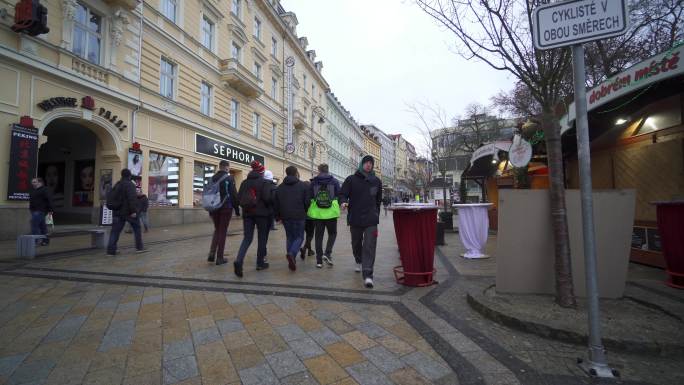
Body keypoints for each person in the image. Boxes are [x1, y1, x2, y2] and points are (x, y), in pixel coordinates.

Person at [340, 155, 383, 288]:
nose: (369, 165)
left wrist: (376, 214)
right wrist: (343, 202)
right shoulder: (351, 179)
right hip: (355, 217)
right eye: (366, 162)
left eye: (371, 163)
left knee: (370, 245)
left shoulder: (376, 181)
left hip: (371, 218)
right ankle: (358, 259)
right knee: (356, 243)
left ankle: (368, 275)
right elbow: (342, 194)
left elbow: (378, 200)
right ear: (362, 164)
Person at [234, 160, 274, 277]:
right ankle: (260, 263)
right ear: (262, 172)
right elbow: (267, 199)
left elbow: (238, 199)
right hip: (262, 215)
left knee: (247, 238)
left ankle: (239, 260)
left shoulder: (244, 182)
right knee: (262, 238)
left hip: (247, 214)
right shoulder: (264, 182)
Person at [274, 166, 310, 271]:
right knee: (299, 237)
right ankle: (292, 254)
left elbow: (276, 203)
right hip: (299, 215)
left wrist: (277, 216)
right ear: (296, 173)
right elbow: (307, 202)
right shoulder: (303, 186)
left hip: (285, 216)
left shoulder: (280, 187)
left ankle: (291, 258)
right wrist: (305, 210)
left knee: (289, 237)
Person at [308, 164, 341, 268]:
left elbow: (310, 196)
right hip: (331, 213)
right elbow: (339, 195)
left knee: (318, 236)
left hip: (318, 213)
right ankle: (327, 253)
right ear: (328, 170)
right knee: (332, 233)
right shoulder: (334, 181)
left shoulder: (313, 182)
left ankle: (319, 261)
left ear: (319, 170)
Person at [106, 169, 145, 256]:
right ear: (129, 175)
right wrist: (134, 211)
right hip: (128, 212)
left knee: (115, 231)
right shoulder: (130, 185)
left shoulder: (117, 184)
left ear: (122, 175)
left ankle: (111, 251)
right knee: (137, 228)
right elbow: (132, 199)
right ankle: (139, 247)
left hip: (117, 212)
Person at [208, 160, 239, 265]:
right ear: (226, 168)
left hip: (213, 208)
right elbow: (234, 195)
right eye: (228, 168)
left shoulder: (212, 178)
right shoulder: (229, 178)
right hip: (226, 208)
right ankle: (220, 257)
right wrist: (237, 210)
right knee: (222, 231)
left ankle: (212, 253)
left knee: (217, 229)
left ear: (219, 167)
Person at [29, 177, 53, 246]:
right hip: (34, 211)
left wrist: (50, 209)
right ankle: (45, 241)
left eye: (34, 182)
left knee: (34, 225)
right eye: (32, 182)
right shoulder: (34, 190)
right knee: (43, 227)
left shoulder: (44, 190)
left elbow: (49, 200)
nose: (32, 183)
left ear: (40, 182)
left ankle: (34, 241)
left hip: (40, 211)